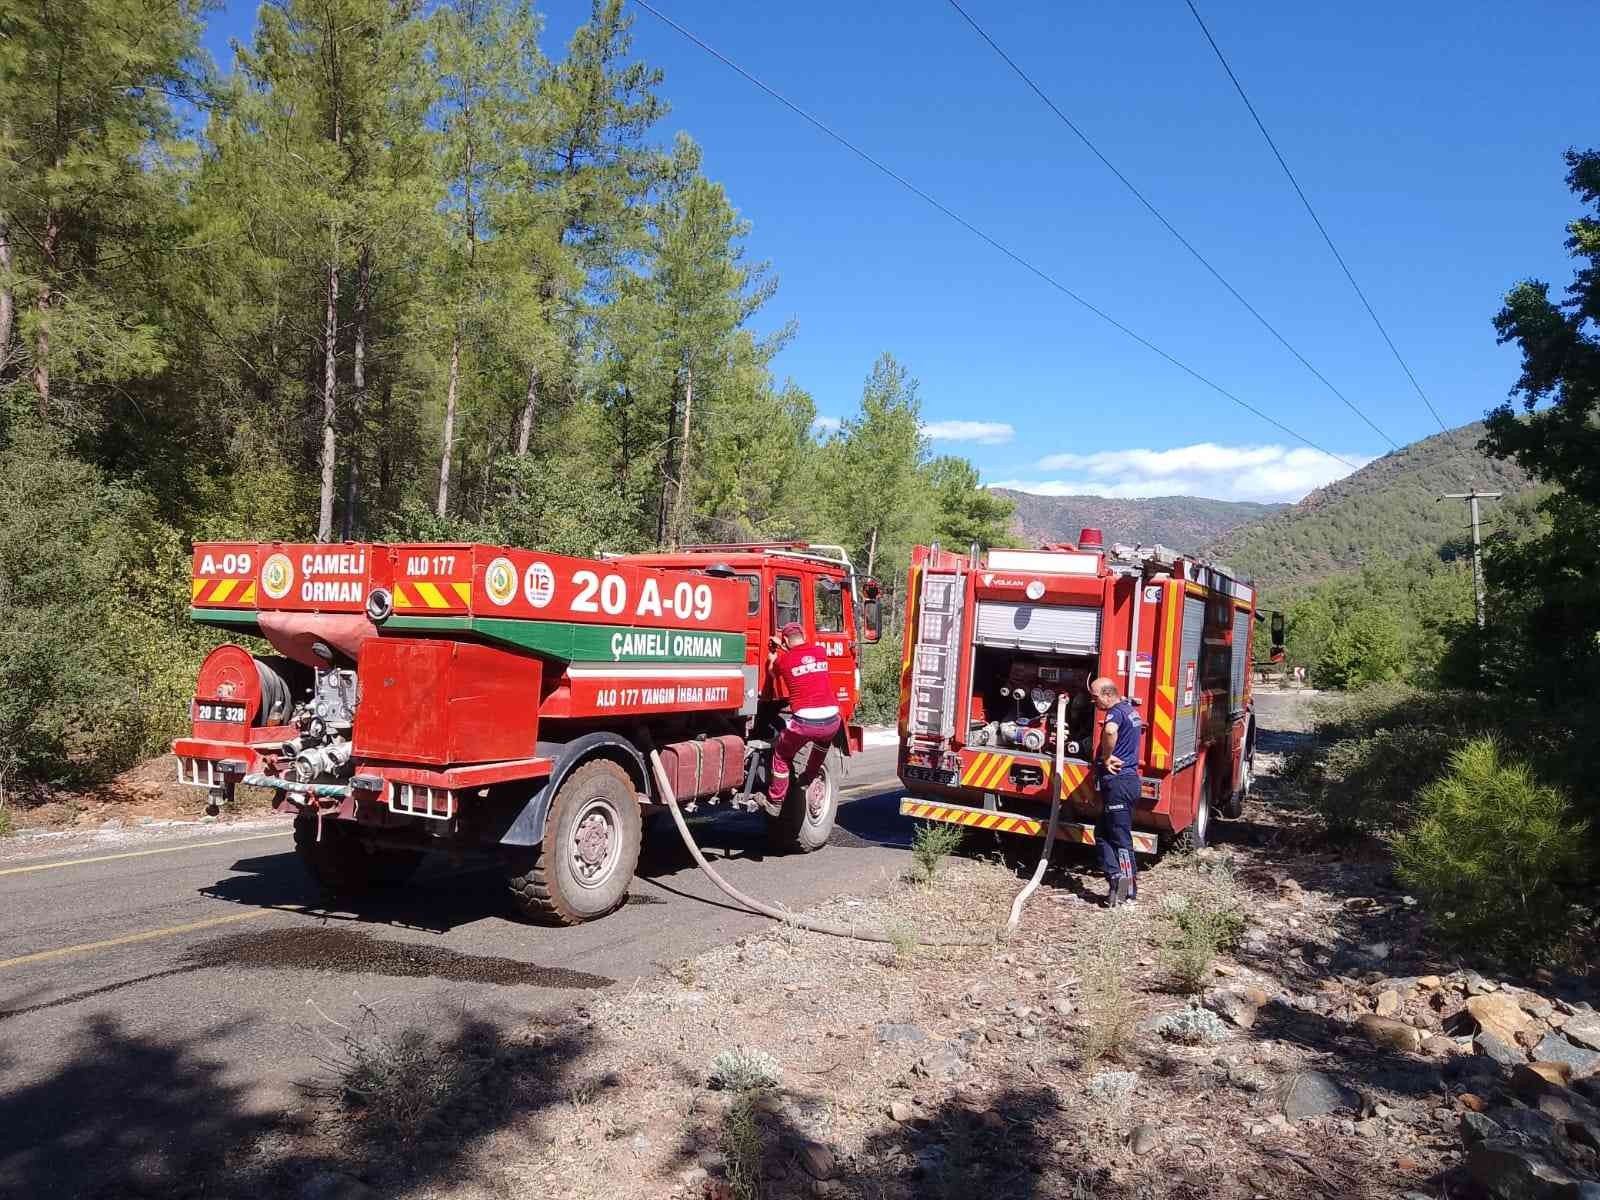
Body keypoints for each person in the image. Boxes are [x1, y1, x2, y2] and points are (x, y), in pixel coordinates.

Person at [765, 622, 842, 815]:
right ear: (805, 636)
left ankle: (775, 802)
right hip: (833, 719)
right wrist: (784, 646)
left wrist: (773, 657)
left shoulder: (784, 661)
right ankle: (808, 776)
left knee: (781, 756)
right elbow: (803, 657)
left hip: (805, 722)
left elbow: (773, 672)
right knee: (821, 744)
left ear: (784, 640)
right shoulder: (820, 651)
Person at [1089, 676, 1142, 907]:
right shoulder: (1130, 709)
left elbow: (1110, 731)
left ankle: (1128, 893)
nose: (1094, 702)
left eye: (1095, 697)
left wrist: (1106, 757)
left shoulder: (1116, 713)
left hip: (1120, 783)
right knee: (1101, 833)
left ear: (1107, 695)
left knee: (1120, 838)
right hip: (1125, 783)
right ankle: (1115, 878)